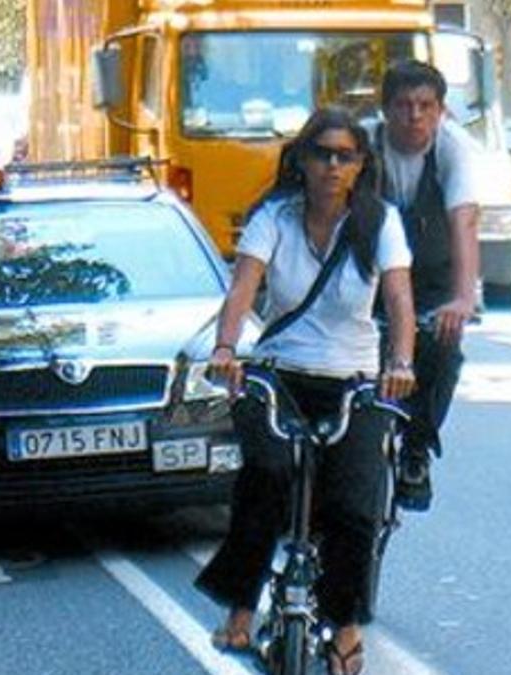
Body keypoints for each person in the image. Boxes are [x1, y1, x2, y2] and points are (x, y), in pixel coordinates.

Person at [195, 106, 417, 675]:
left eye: (346, 156)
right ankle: (242, 604)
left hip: (356, 382)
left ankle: (345, 623)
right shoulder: (274, 216)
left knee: (352, 503)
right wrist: (225, 350)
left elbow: (398, 301)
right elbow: (244, 287)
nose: (333, 167)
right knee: (265, 475)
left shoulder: (379, 223)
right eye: (322, 154)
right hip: (279, 373)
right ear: (302, 159)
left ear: (361, 165)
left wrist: (401, 363)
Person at [367, 61, 480, 512]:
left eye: (425, 106)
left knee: (444, 348)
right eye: (404, 105)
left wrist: (463, 297)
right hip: (370, 277)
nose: (415, 116)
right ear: (385, 110)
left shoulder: (454, 149)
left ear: (441, 112)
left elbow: (465, 220)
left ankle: (416, 450)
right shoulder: (362, 144)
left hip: (431, 277)